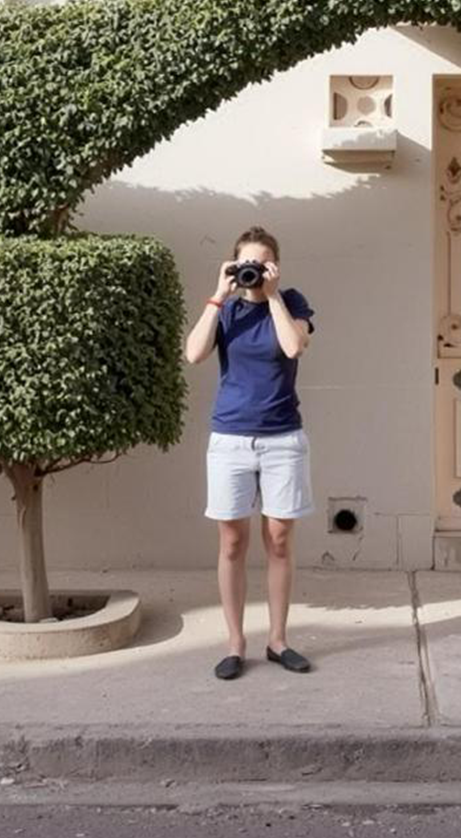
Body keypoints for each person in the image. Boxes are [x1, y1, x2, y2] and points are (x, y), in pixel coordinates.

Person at [183, 225, 316, 681]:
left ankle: (277, 640)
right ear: (233, 264)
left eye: (260, 264)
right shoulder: (226, 311)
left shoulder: (292, 302)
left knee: (279, 540)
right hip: (231, 440)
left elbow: (294, 346)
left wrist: (274, 295)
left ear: (274, 265)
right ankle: (235, 643)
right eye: (245, 264)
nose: (252, 272)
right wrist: (218, 295)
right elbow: (194, 354)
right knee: (232, 541)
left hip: (283, 439)